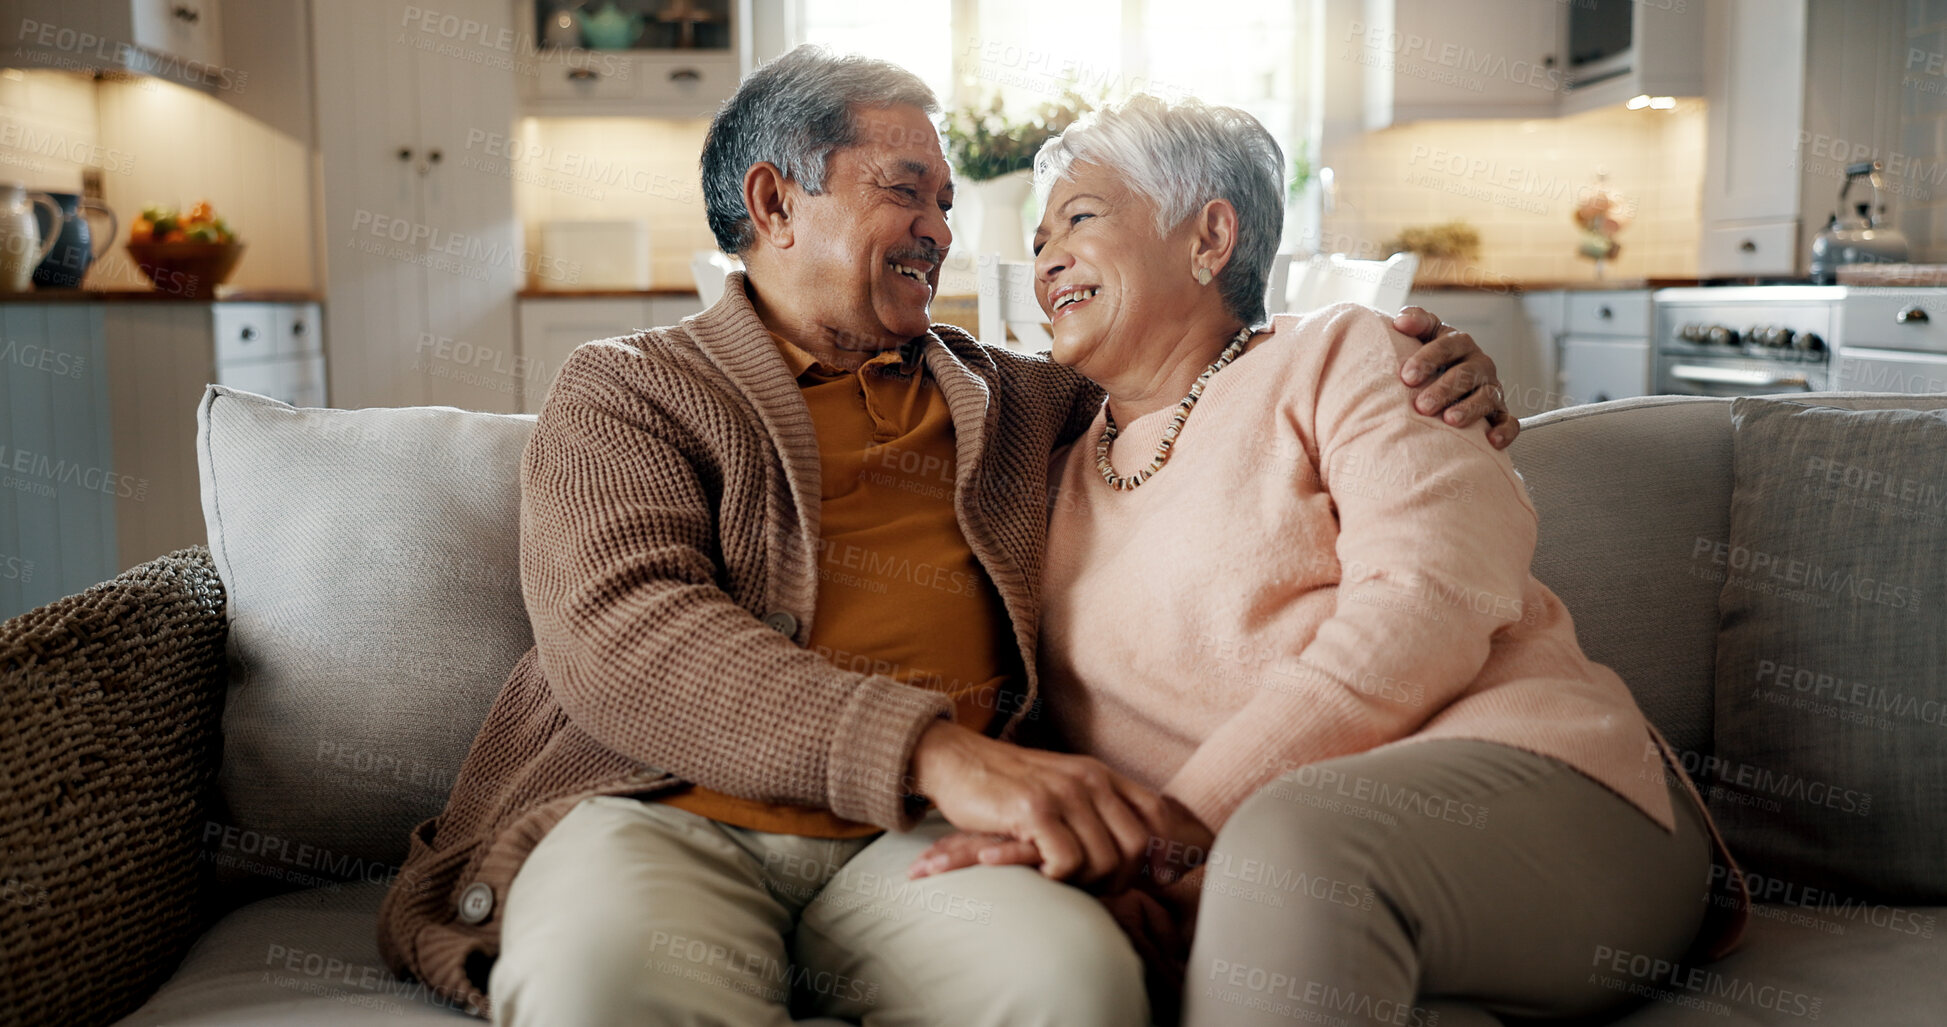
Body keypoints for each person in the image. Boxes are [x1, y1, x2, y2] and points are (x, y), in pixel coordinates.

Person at [375, 47, 1521, 1025]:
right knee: (605, 987)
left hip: (919, 842)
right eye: (906, 192)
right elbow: (623, 634)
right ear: (774, 203)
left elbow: (1212, 375)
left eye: (947, 206)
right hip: (661, 810)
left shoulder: (1026, 400)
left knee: (1073, 988)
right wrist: (940, 753)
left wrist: (1428, 374)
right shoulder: (629, 391)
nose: (941, 231)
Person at [911, 95, 1748, 1026]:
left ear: (1209, 236)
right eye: (1035, 240)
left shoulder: (1349, 354)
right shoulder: (1042, 465)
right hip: (1235, 871)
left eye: (1079, 218)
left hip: (1535, 783)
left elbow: (1430, 594)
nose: (1046, 258)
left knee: (1289, 853)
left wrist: (1180, 834)